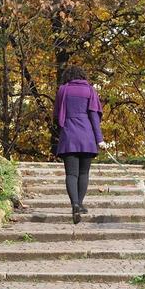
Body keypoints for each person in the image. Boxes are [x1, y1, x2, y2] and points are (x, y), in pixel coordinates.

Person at [53, 66, 105, 223]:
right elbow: (94, 117)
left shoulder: (63, 90)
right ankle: (80, 204)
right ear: (83, 76)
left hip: (69, 135)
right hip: (87, 136)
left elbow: (57, 115)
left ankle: (74, 204)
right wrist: (99, 139)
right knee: (83, 173)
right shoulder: (90, 90)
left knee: (71, 174)